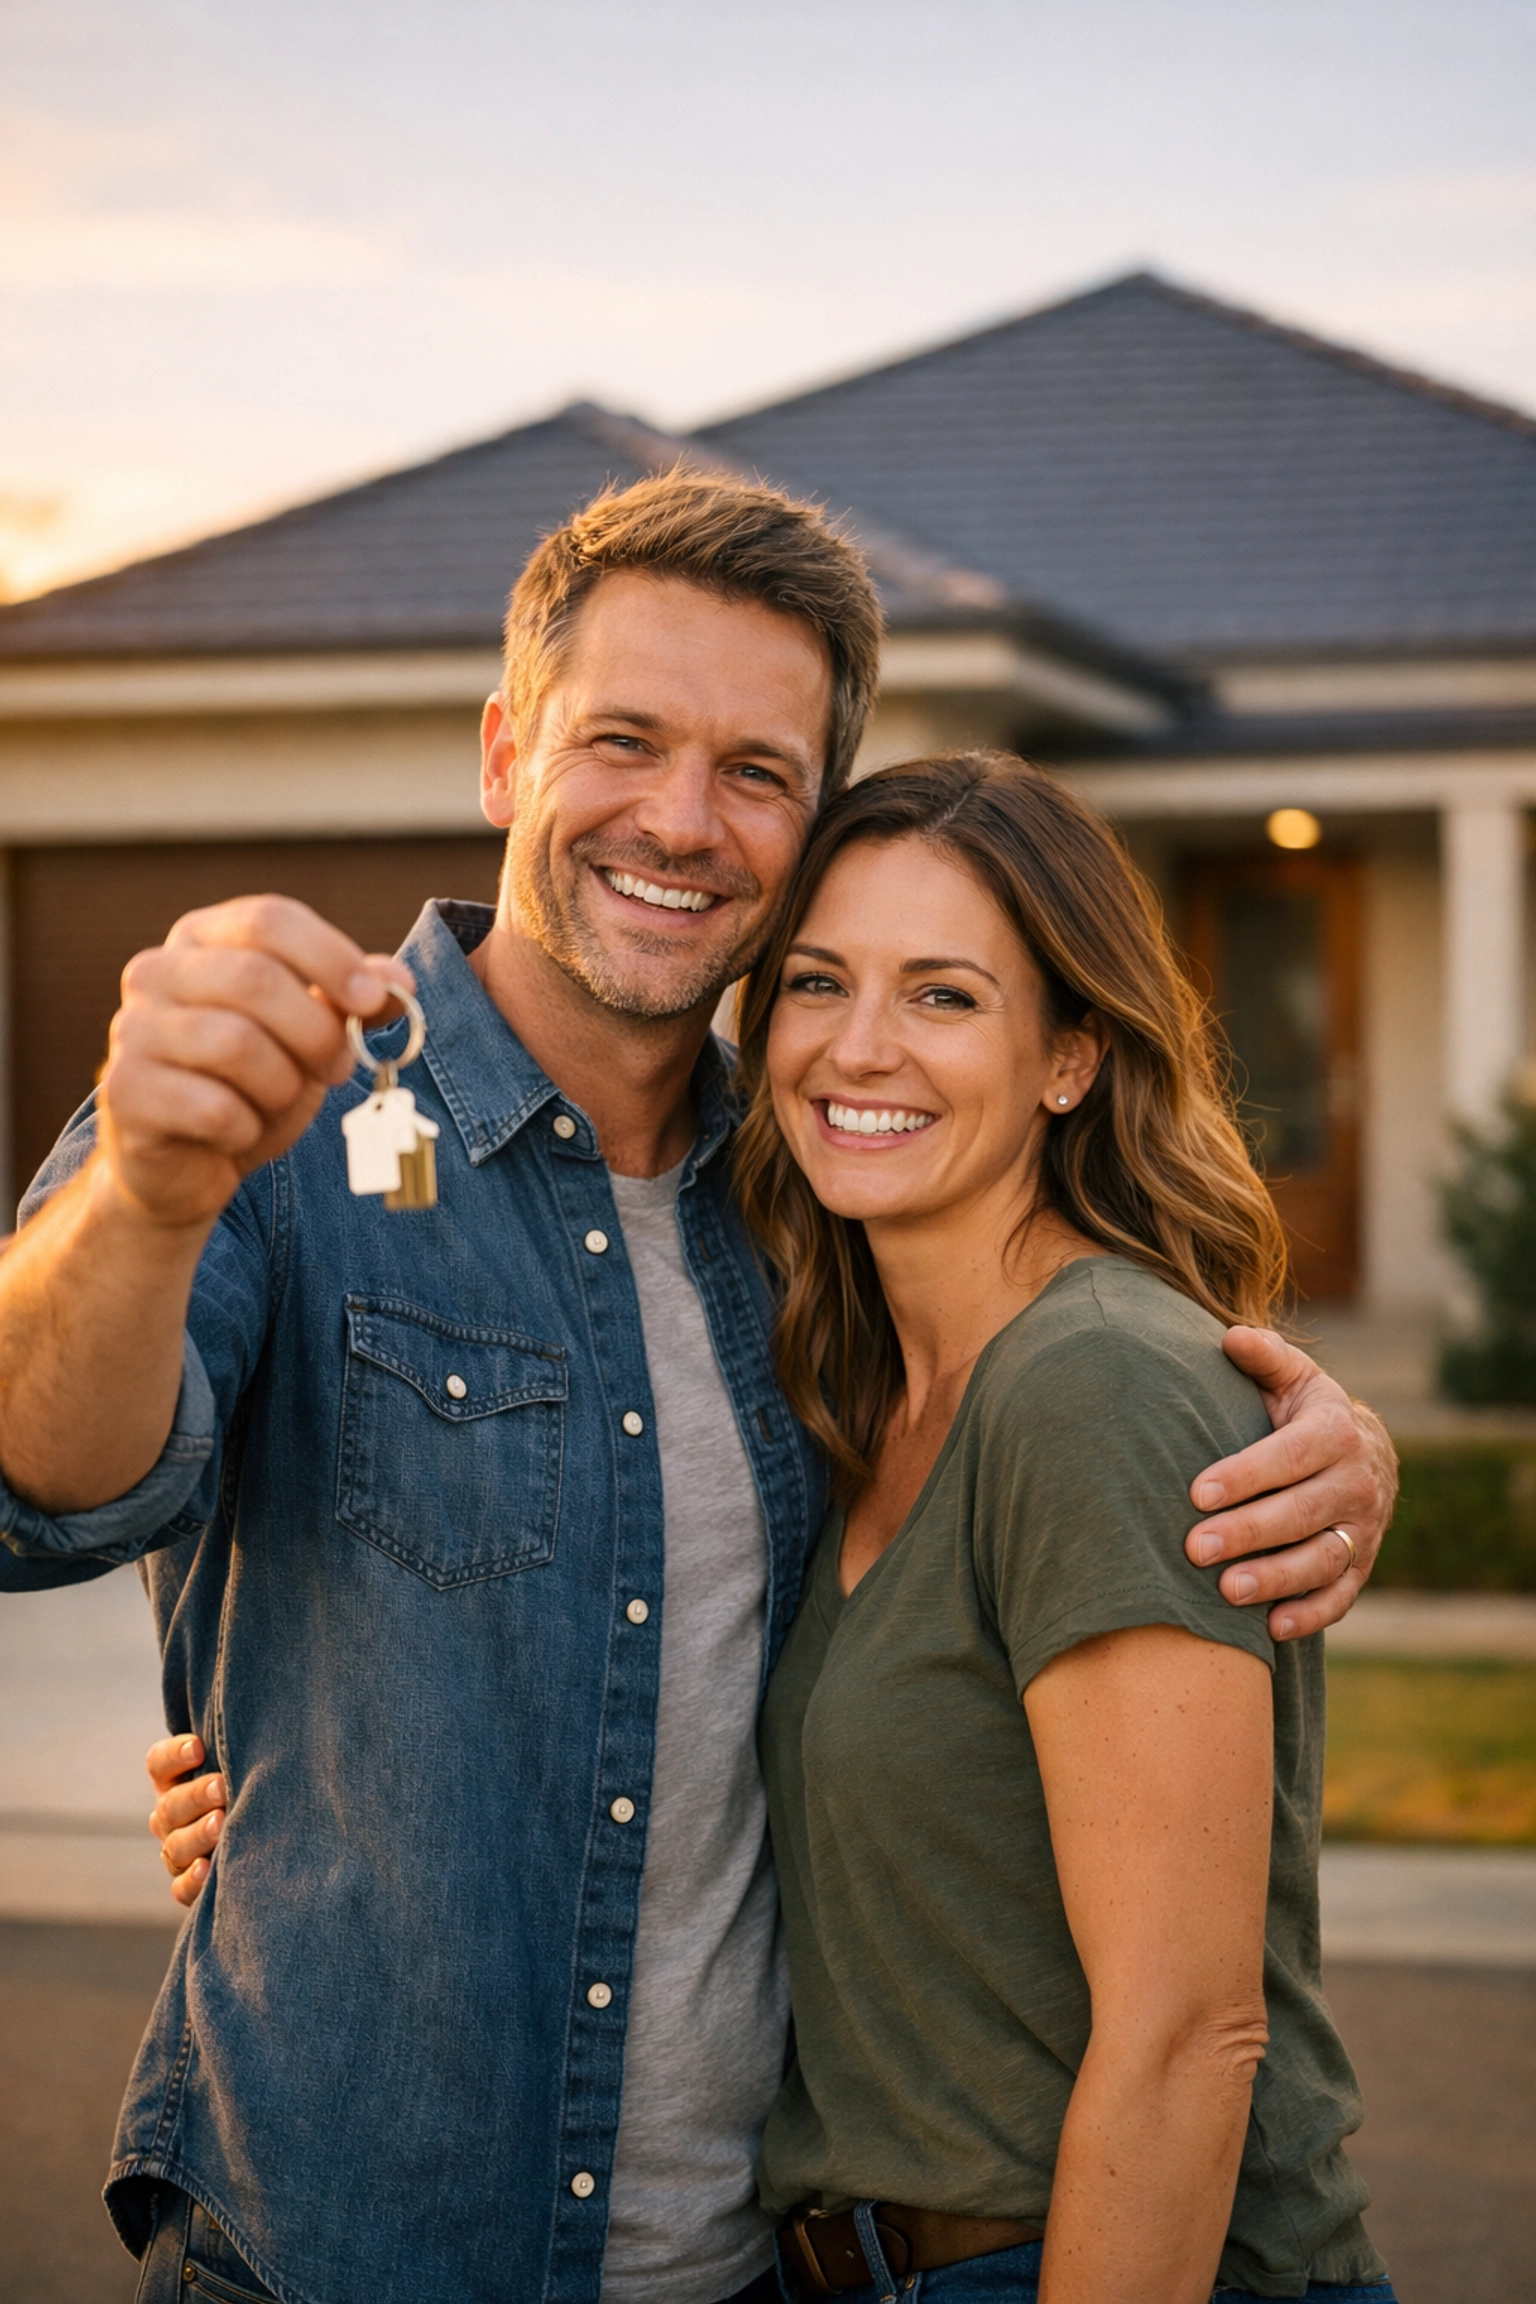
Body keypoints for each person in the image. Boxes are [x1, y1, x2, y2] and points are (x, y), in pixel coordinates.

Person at [0, 472, 1392, 2304]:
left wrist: (1315, 1427)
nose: (680, 818)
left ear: (810, 821)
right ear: (509, 753)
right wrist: (148, 1197)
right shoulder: (282, 1121)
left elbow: (1042, 1425)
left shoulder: (814, 1203)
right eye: (625, 741)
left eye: (756, 770)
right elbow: (50, 1487)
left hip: (747, 2269)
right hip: (346, 2250)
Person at [731, 750, 1394, 2304]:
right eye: (818, 982)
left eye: (945, 996)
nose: (859, 1048)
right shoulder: (851, 1390)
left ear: (1071, 1059)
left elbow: (1186, 2035)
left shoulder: (1091, 1383)